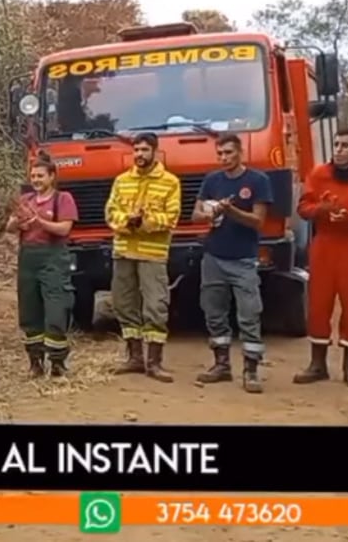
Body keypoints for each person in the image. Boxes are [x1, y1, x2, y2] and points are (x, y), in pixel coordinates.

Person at [293, 127, 348, 388]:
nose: (339, 150)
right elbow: (303, 208)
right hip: (325, 245)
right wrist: (321, 209)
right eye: (336, 144)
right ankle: (317, 364)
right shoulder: (320, 173)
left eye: (345, 145)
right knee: (318, 305)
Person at [192, 133, 273, 394]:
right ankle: (221, 365)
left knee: (249, 314)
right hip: (214, 257)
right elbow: (195, 215)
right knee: (214, 312)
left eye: (229, 152)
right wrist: (209, 213)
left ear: (240, 153)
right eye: (220, 154)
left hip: (244, 260)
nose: (224, 158)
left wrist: (231, 211)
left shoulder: (258, 180)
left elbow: (258, 221)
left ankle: (251, 370)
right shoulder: (211, 180)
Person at [103, 132, 181, 382]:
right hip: (123, 250)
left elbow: (172, 218)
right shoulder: (121, 181)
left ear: (155, 152)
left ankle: (155, 362)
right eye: (136, 150)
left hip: (153, 253)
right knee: (124, 304)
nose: (139, 155)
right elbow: (110, 213)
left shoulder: (170, 182)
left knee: (155, 306)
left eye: (144, 150)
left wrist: (145, 221)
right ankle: (135, 358)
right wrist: (128, 221)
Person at [7, 159, 78, 377]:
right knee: (29, 311)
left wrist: (39, 222)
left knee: (56, 311)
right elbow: (9, 227)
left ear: (52, 177)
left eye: (40, 176)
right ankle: (35, 363)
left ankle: (57, 363)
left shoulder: (63, 199)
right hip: (28, 258)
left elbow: (64, 229)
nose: (36, 180)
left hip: (53, 259)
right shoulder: (25, 200)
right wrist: (20, 223)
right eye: (33, 176)